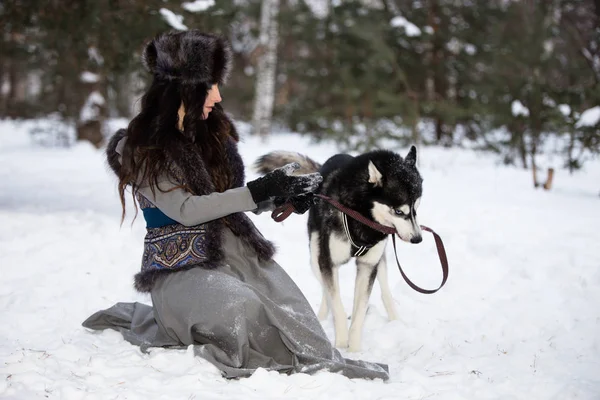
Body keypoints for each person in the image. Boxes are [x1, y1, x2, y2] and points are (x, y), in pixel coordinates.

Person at [82, 29, 389, 381]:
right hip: (180, 270)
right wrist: (257, 192)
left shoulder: (212, 136)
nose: (218, 94)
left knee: (297, 320)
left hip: (236, 255)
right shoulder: (139, 148)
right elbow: (186, 209)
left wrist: (281, 195)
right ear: (185, 87)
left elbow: (228, 199)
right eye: (211, 84)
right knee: (240, 308)